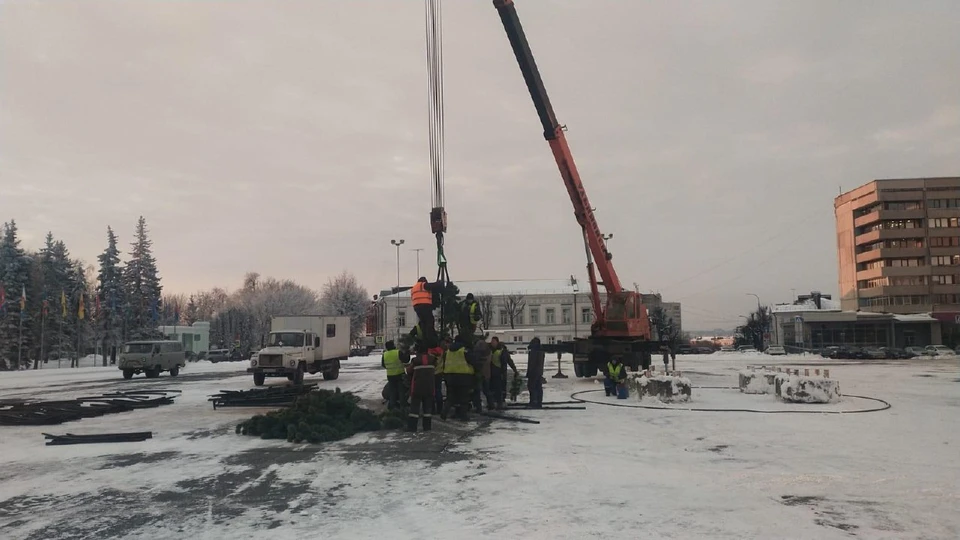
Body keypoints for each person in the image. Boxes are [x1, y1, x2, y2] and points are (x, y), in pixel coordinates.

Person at [406, 340, 438, 432]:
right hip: (429, 387)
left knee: (414, 410)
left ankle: (412, 427)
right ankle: (427, 427)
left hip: (417, 388)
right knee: (427, 409)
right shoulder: (433, 360)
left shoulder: (415, 360)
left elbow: (409, 371)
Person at [440, 335, 475, 420]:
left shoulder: (448, 351)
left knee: (451, 397)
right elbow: (473, 361)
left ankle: (444, 412)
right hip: (463, 377)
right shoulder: (464, 350)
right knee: (463, 397)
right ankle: (463, 415)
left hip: (450, 377)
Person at [490, 337, 519, 410]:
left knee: (500, 388)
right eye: (492, 341)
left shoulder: (500, 351)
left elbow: (508, 361)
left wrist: (514, 370)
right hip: (495, 373)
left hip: (499, 373)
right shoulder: (493, 351)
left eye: (493, 341)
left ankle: (500, 402)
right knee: (496, 388)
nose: (492, 343)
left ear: (497, 342)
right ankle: (498, 402)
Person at [470, 335, 493, 412]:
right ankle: (491, 405)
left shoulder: (477, 350)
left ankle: (478, 407)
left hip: (479, 372)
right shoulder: (488, 351)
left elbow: (475, 361)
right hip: (486, 373)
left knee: (477, 391)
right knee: (486, 390)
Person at [381, 341, 405, 410]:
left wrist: (390, 368)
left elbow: (383, 364)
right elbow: (405, 360)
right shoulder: (398, 352)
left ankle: (392, 407)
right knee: (401, 391)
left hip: (390, 376)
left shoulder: (385, 354)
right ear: (393, 345)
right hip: (400, 374)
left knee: (392, 392)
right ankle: (402, 407)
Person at [526, 338, 545, 408]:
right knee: (538, 387)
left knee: (532, 387)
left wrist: (529, 372)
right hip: (538, 372)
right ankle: (538, 402)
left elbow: (532, 363)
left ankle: (533, 402)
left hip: (534, 372)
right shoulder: (540, 350)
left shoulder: (534, 351)